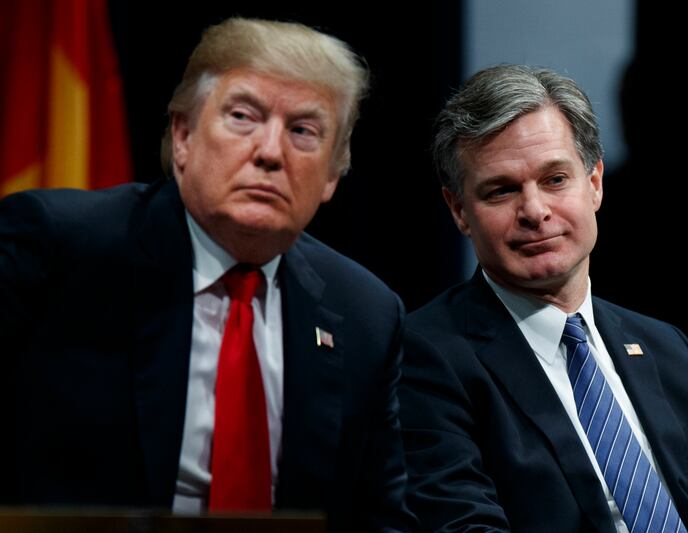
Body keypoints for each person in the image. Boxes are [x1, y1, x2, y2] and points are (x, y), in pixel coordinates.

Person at [0, 18, 415, 532]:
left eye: (303, 131)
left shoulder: (365, 313)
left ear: (332, 175)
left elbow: (379, 517)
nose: (269, 152)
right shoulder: (61, 248)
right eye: (243, 117)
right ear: (183, 137)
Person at [399, 65, 688, 532]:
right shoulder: (427, 356)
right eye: (501, 191)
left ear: (595, 182)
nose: (535, 211)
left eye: (555, 179)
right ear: (460, 210)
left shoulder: (666, 349)